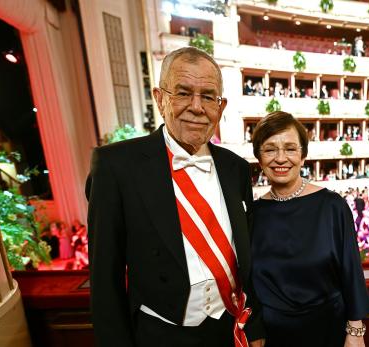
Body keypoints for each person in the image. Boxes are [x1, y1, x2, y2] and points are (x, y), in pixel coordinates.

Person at [86, 47, 265, 347]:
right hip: (160, 336)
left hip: (230, 331)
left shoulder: (236, 168)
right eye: (183, 93)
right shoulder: (115, 166)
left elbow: (248, 260)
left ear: (220, 108)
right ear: (160, 98)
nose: (197, 107)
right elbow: (105, 281)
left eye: (208, 96)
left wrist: (255, 327)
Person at [250, 111, 369, 347]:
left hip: (328, 332)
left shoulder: (332, 206)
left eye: (290, 148)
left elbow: (351, 272)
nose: (280, 158)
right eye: (270, 149)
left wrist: (355, 332)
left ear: (303, 155)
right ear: (259, 158)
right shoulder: (253, 214)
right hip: (272, 337)